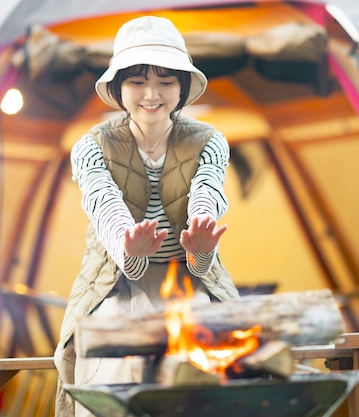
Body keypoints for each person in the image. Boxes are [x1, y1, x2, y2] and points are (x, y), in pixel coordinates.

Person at [53, 15, 240, 417]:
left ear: (183, 87)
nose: (151, 94)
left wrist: (202, 244)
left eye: (166, 81)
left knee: (208, 381)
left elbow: (207, 193)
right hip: (114, 285)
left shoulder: (209, 140)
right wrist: (130, 248)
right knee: (112, 374)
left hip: (190, 280)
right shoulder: (92, 146)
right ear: (119, 88)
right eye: (137, 81)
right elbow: (104, 204)